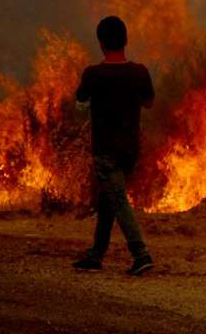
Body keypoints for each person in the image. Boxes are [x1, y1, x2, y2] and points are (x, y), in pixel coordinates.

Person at [71, 15, 155, 275]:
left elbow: (80, 102)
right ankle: (96, 254)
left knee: (117, 200)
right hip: (130, 150)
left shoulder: (94, 74)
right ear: (126, 41)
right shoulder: (139, 72)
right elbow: (149, 102)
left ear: (101, 43)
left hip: (105, 150)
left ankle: (140, 253)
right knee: (108, 198)